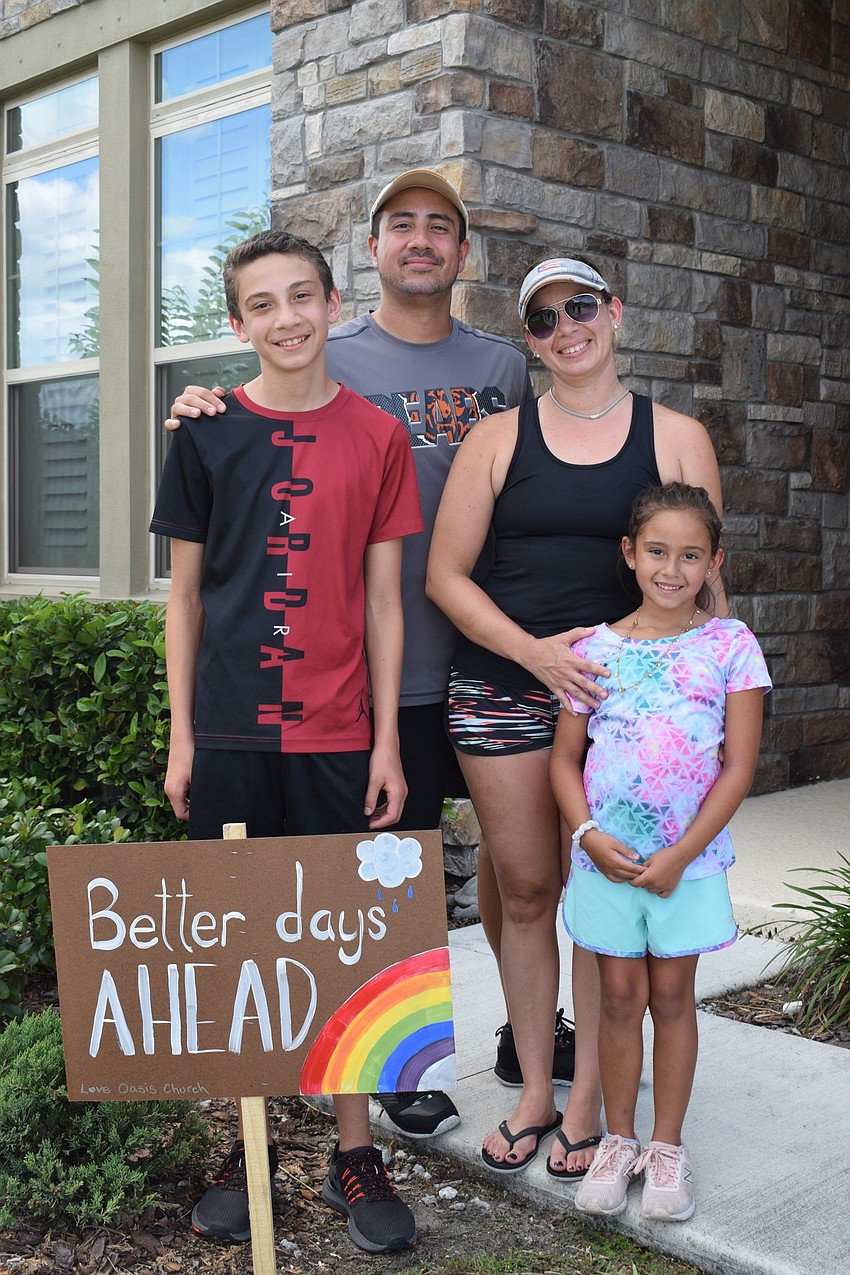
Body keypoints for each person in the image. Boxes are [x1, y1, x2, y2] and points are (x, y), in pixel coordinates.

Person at [164, 171, 578, 1139]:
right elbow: (255, 421)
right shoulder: (327, 351)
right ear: (372, 253)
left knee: (526, 875)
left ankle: (527, 1032)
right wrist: (198, 405)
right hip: (355, 683)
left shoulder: (500, 367)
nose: (422, 241)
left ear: (463, 254)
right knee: (381, 885)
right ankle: (390, 1072)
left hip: (483, 661)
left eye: (442, 228)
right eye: (402, 226)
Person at [150, 229, 424, 1253]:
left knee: (352, 942)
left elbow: (386, 605)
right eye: (261, 305)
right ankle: (246, 1140)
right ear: (237, 325)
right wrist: (183, 738)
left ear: (331, 300)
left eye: (300, 297)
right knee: (241, 948)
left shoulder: (379, 436)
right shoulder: (204, 432)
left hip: (340, 735)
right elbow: (182, 599)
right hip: (226, 730)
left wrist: (388, 744)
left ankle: (355, 1149)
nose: (285, 319)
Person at [426, 257, 727, 1178]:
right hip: (505, 684)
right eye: (544, 318)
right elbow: (445, 575)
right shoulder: (495, 439)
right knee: (525, 888)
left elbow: (708, 586)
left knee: (606, 895)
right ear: (531, 339)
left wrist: (693, 723)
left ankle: (590, 1099)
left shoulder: (675, 434)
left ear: (614, 313)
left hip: (624, 708)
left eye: (581, 307)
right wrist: (537, 653)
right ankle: (533, 1091)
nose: (567, 327)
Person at [550, 482, 770, 1220]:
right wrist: (586, 834)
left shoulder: (730, 645)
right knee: (617, 998)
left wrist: (682, 853)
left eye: (690, 555)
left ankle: (666, 1148)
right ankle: (619, 1139)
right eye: (656, 551)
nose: (672, 569)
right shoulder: (595, 649)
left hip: (688, 860)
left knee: (673, 996)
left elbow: (738, 766)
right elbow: (563, 761)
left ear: (714, 560)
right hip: (606, 856)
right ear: (629, 552)